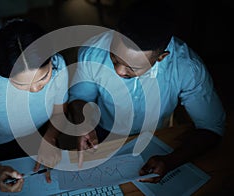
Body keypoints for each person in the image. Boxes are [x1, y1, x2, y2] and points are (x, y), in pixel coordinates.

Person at [68, 0, 226, 183]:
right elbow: (79, 98)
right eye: (114, 57)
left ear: (161, 57)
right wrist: (83, 122)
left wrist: (171, 161)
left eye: (132, 68)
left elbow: (212, 127)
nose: (119, 71)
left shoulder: (187, 68)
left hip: (158, 138)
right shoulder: (92, 51)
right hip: (103, 133)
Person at [0, 19, 68, 192]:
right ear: (4, 74)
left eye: (44, 77)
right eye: (22, 85)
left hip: (39, 135)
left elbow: (59, 113)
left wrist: (51, 136)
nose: (36, 89)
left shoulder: (58, 65)